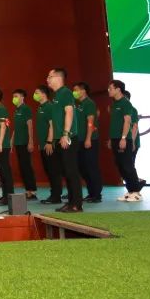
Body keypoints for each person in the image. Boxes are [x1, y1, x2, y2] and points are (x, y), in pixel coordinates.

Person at [49, 68, 83, 213]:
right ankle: (70, 202)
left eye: (50, 76)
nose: (47, 79)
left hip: (68, 137)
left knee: (71, 171)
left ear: (58, 78)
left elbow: (69, 112)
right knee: (66, 172)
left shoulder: (66, 93)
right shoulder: (56, 95)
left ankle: (77, 204)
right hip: (59, 139)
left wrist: (65, 134)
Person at [108, 80, 144, 202]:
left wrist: (124, 138)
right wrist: (111, 139)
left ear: (118, 89)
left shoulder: (126, 103)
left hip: (124, 139)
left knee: (127, 165)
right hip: (115, 139)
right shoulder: (114, 104)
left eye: (111, 88)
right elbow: (115, 123)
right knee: (120, 165)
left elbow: (128, 122)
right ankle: (130, 191)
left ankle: (136, 192)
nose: (109, 91)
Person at [74, 82, 103, 203]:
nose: (74, 92)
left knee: (91, 167)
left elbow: (90, 121)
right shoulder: (78, 104)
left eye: (76, 90)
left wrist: (88, 138)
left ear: (83, 91)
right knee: (83, 168)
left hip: (89, 140)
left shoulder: (89, 103)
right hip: (79, 140)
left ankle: (97, 194)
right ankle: (91, 192)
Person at [35, 86, 63, 205]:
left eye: (37, 92)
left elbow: (52, 125)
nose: (35, 95)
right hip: (43, 145)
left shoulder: (50, 107)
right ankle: (53, 194)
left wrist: (49, 142)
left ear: (44, 94)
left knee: (53, 170)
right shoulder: (40, 107)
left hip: (50, 144)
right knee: (48, 170)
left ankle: (56, 196)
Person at [11, 89, 38, 200]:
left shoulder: (26, 109)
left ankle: (32, 191)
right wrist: (11, 141)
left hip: (25, 142)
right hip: (18, 143)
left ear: (22, 97)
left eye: (16, 96)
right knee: (22, 167)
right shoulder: (16, 111)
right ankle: (28, 191)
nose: (14, 98)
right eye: (13, 96)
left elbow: (30, 125)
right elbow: (15, 128)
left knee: (27, 167)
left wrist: (31, 141)